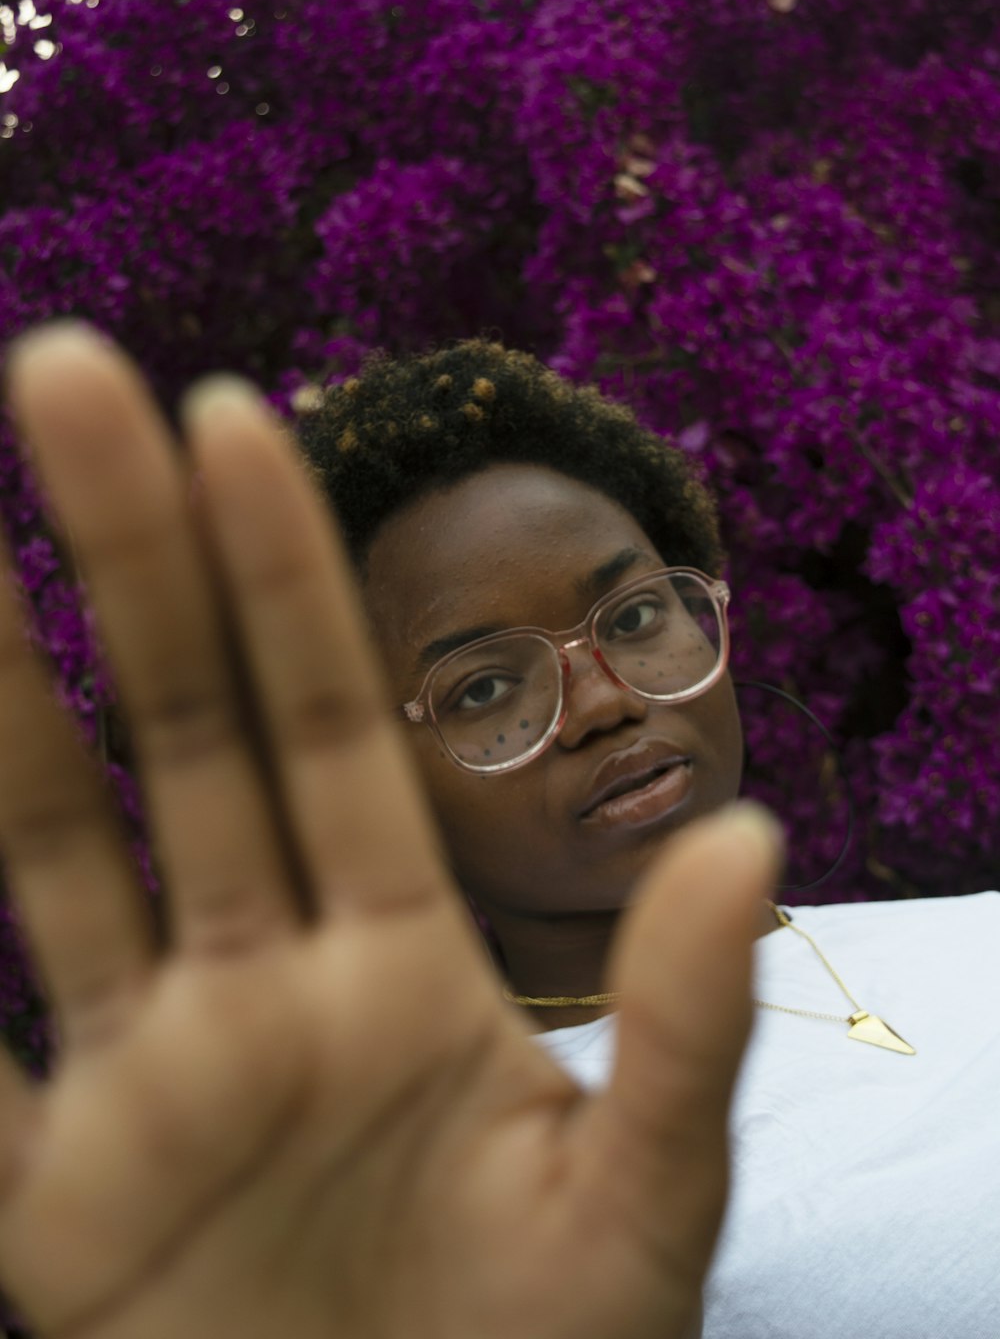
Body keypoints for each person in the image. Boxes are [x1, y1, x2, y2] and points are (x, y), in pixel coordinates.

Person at [0, 323, 995, 1339]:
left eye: (637, 617)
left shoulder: (979, 930)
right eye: (482, 686)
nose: (604, 701)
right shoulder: (454, 1182)